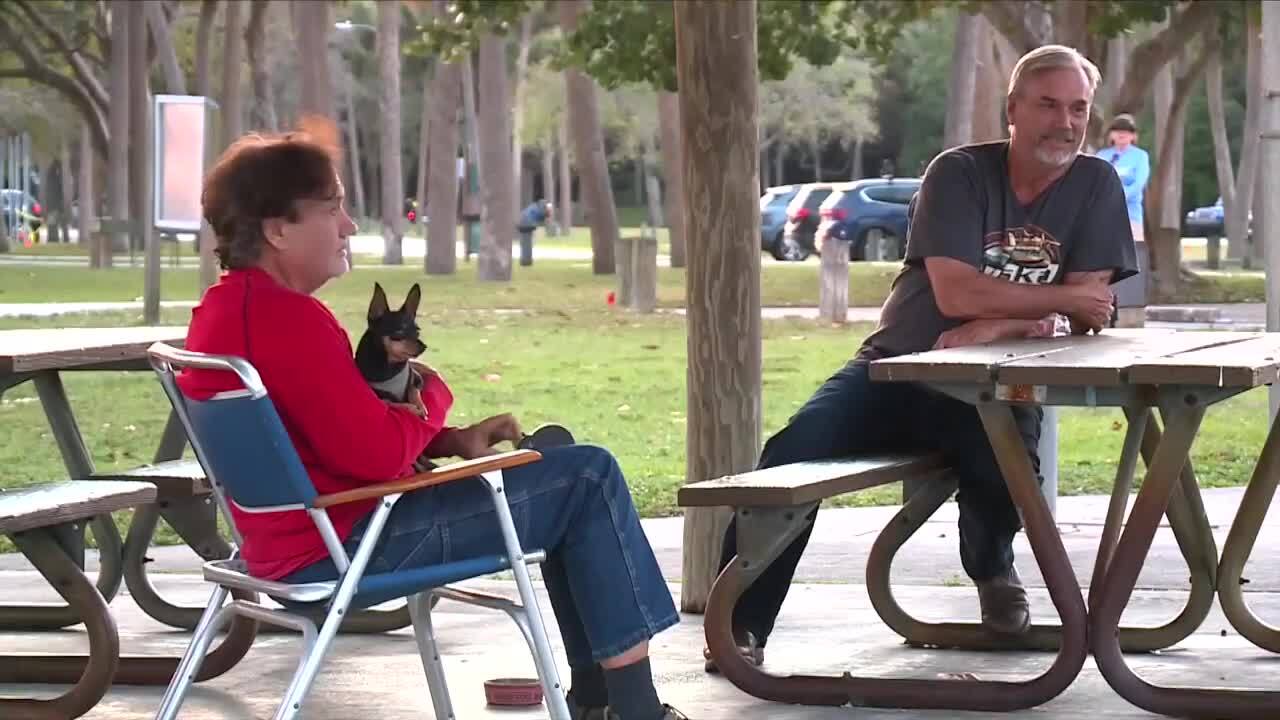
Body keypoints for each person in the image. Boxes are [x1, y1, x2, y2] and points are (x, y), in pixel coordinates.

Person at [177, 118, 688, 720]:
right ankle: (634, 710)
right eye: (333, 209)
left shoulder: (222, 311)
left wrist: (448, 439)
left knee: (560, 463)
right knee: (589, 477)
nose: (348, 225)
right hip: (350, 546)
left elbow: (330, 435)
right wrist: (431, 392)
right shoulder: (292, 322)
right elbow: (374, 455)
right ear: (279, 229)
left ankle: (601, 700)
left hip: (285, 543)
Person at [705, 44, 1138, 672]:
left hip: (996, 382)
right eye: (1048, 105)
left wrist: (997, 323)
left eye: (1078, 108)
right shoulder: (957, 173)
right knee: (789, 456)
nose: (1065, 123)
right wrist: (1038, 303)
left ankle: (993, 571)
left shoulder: (1094, 183)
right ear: (1013, 108)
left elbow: (1089, 309)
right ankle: (739, 626)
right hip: (895, 367)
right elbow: (956, 291)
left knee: (1004, 469)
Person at [1095, 113, 1150, 241]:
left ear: (1133, 135)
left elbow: (1139, 184)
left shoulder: (1140, 156)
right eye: (1117, 130)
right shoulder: (1101, 155)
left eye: (1127, 130)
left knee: (1131, 254)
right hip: (1103, 215)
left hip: (1130, 215)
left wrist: (1117, 197)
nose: (1122, 134)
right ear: (1111, 134)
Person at [517, 199, 553, 266]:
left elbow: (541, 216)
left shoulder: (534, 206)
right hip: (527, 224)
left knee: (525, 243)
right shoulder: (539, 208)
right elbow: (543, 214)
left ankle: (525, 260)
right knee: (527, 243)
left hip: (522, 223)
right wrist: (548, 212)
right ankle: (526, 261)